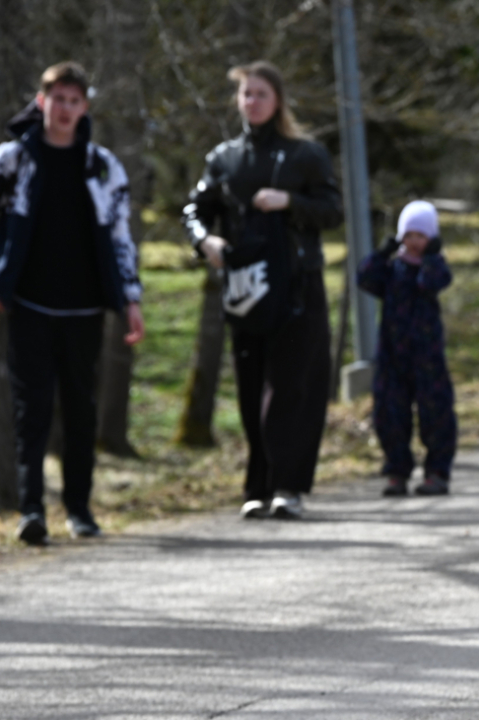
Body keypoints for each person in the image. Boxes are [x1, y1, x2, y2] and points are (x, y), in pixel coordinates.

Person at [185, 62, 342, 520]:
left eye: (261, 94)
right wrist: (204, 240)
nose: (252, 101)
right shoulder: (224, 158)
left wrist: (289, 201)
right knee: (252, 389)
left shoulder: (305, 155)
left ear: (278, 101)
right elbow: (194, 208)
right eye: (246, 94)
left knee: (289, 387)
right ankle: (256, 486)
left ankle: (288, 486)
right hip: (245, 287)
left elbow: (333, 210)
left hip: (297, 286)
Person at [0, 61, 144, 546]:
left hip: (85, 309)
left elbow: (121, 237)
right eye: (57, 98)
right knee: (31, 410)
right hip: (28, 305)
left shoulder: (101, 166)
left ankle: (79, 508)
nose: (64, 109)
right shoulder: (12, 162)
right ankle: (31, 510)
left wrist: (131, 300)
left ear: (85, 108)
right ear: (41, 103)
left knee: (81, 410)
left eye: (74, 100)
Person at [357, 201, 456, 497]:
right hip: (392, 355)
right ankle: (397, 470)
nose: (414, 242)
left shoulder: (434, 267)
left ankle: (437, 472)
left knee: (435, 413)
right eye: (409, 235)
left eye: (421, 236)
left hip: (427, 357)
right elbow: (364, 278)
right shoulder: (391, 270)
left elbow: (431, 282)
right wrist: (383, 252)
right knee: (390, 415)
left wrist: (431, 256)